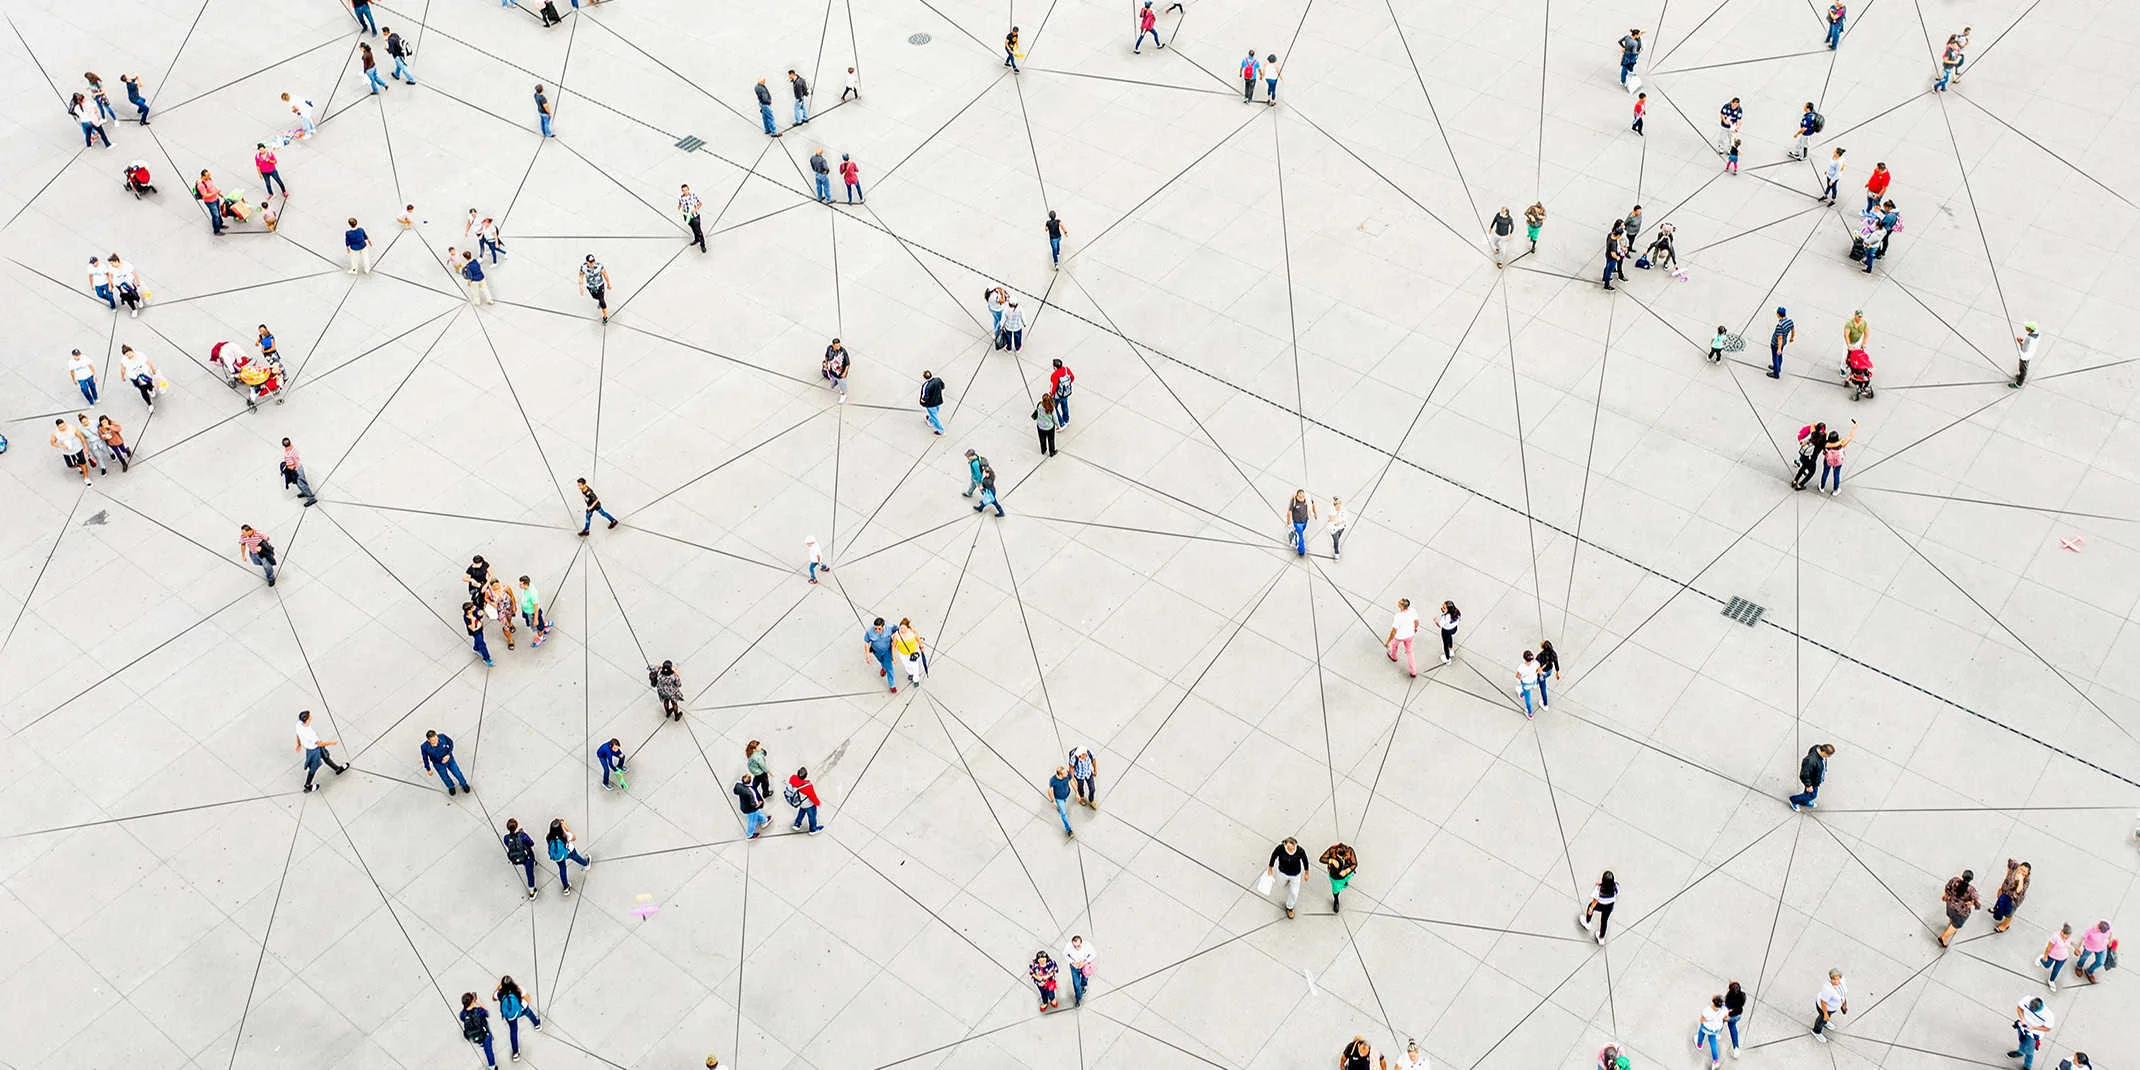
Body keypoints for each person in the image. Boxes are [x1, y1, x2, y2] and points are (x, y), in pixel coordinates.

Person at [295, 709, 348, 791]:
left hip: (314, 748)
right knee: (314, 767)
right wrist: (331, 742)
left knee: (325, 756)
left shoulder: (299, 724)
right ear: (308, 719)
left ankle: (337, 769)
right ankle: (308, 785)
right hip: (313, 751)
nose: (311, 716)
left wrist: (299, 744)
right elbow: (319, 744)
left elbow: (298, 735)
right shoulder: (309, 733)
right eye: (310, 715)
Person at [494, 977, 540, 1059]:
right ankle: (537, 1025)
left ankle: (515, 1053)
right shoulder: (518, 989)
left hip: (510, 1016)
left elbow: (493, 998)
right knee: (529, 1013)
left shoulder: (499, 993)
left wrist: (499, 987)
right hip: (521, 1010)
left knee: (513, 1031)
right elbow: (528, 999)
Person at [1267, 836, 1309, 918]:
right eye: (1289, 848)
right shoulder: (1280, 849)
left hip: (1295, 875)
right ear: (1285, 845)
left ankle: (1290, 907)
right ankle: (1287, 882)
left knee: (1294, 893)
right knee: (1280, 885)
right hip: (1283, 873)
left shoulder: (1300, 851)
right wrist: (1270, 868)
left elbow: (1305, 861)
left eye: (1293, 848)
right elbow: (1273, 856)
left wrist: (1306, 873)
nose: (1291, 850)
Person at [421, 729, 471, 797]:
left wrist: (448, 754)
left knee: (457, 773)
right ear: (428, 740)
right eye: (433, 740)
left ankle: (464, 784)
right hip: (438, 764)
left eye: (436, 738)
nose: (436, 741)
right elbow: (425, 758)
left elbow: (450, 743)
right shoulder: (424, 747)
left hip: (450, 760)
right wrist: (428, 769)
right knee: (444, 777)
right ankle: (451, 787)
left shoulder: (442, 737)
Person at [1938, 869, 1980, 947]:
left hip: (1950, 904)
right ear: (1971, 880)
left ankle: (1950, 923)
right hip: (1961, 911)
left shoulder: (1954, 881)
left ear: (1962, 876)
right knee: (1956, 925)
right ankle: (1944, 938)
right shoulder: (1971, 890)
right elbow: (1976, 902)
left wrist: (1946, 896)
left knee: (1952, 916)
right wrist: (1973, 903)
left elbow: (1947, 888)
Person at [546, 819, 591, 892]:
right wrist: (565, 826)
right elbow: (574, 837)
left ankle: (566, 887)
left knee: (562, 869)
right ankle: (586, 864)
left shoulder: (548, 837)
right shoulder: (565, 835)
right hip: (569, 851)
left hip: (559, 856)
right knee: (576, 857)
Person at [2010, 996, 2054, 1068]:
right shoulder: (2027, 999)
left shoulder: (2048, 1015)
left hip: (2033, 1033)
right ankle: (2020, 1052)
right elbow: (2019, 1008)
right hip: (2022, 1026)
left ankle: (2027, 1065)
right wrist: (2022, 1019)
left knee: (2030, 1051)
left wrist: (2034, 1028)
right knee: (2021, 1040)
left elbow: (2048, 1028)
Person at [1789, 743, 1835, 808]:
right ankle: (1794, 800)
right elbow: (1804, 774)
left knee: (1808, 793)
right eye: (1828, 755)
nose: (1829, 757)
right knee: (1812, 795)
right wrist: (1808, 785)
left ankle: (1804, 801)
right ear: (1824, 752)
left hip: (1815, 777)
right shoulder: (1810, 760)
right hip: (1813, 781)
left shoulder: (1817, 748)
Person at [50, 418, 94, 487]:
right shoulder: (55, 433)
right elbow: (52, 442)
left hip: (78, 449)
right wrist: (60, 445)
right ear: (57, 427)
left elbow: (81, 437)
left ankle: (86, 478)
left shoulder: (72, 428)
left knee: (83, 463)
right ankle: (78, 466)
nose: (63, 428)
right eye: (60, 427)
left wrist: (85, 447)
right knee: (70, 466)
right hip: (67, 452)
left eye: (63, 426)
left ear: (65, 423)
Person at [502, 818, 539, 897]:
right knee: (530, 873)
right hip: (527, 857)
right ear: (516, 826)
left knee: (526, 866)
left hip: (517, 857)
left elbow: (508, 846)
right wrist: (522, 833)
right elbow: (531, 843)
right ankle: (532, 892)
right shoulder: (522, 836)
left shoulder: (506, 838)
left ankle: (532, 891)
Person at [459, 992, 497, 1068]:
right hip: (485, 1034)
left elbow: (463, 1018)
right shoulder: (479, 1011)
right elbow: (487, 1013)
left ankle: (481, 1044)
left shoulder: (462, 1014)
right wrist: (479, 1002)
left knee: (480, 1040)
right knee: (489, 1051)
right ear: (473, 1002)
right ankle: (492, 1066)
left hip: (474, 1036)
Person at [1992, 860, 2031, 933]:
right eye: (2021, 869)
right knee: (2000, 902)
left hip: (2013, 899)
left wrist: (2021, 880)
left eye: (2024, 872)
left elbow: (2019, 890)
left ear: (2027, 873)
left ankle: (2004, 925)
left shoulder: (2026, 881)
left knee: (2009, 913)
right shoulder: (2015, 866)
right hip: (2005, 891)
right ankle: (1996, 910)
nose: (2022, 872)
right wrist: (2007, 875)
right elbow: (2010, 862)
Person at [1387, 598, 1420, 677]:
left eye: (1400, 602)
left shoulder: (1398, 616)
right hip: (1410, 635)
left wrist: (1388, 642)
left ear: (1401, 606)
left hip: (1399, 636)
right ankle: (1413, 671)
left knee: (1394, 645)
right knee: (1409, 652)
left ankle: (1393, 656)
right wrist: (1415, 628)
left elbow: (1394, 631)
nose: (1398, 601)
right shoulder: (1412, 611)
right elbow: (1417, 622)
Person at [1811, 968, 1847, 1041]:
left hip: (1833, 1007)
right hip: (1824, 1008)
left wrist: (1844, 1004)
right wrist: (1825, 1014)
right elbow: (1823, 1002)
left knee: (1825, 1019)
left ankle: (1825, 1022)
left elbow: (1842, 994)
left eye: (1838, 979)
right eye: (1834, 979)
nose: (1836, 982)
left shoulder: (1842, 980)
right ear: (1830, 978)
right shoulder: (1827, 989)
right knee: (1822, 1019)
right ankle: (1816, 1031)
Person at [863, 618, 899, 691]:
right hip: (876, 652)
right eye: (875, 628)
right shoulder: (869, 632)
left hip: (887, 651)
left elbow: (898, 631)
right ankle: (883, 667)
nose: (877, 631)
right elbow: (867, 643)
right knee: (882, 662)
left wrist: (894, 644)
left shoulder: (890, 627)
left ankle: (892, 685)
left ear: (883, 626)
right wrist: (867, 656)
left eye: (879, 629)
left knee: (889, 667)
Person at [516, 576, 554, 645]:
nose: (519, 585)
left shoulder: (532, 594)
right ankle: (546, 624)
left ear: (525, 584)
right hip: (527, 611)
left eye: (520, 584)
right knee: (539, 623)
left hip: (532, 613)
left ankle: (540, 637)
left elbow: (536, 608)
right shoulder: (526, 588)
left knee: (539, 627)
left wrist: (535, 619)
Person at [1319, 841, 1357, 911]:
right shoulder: (1332, 850)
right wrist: (1331, 861)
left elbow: (1354, 863)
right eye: (1339, 857)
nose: (1342, 859)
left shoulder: (1350, 851)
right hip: (1335, 876)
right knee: (1335, 889)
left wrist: (1346, 871)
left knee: (1346, 879)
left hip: (1346, 873)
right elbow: (1321, 859)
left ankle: (1344, 882)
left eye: (1344, 857)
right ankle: (1336, 900)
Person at [1584, 870, 1617, 943]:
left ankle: (1587, 923)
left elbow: (1594, 902)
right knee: (1604, 921)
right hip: (1609, 907)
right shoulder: (1616, 887)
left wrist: (1590, 909)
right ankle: (1601, 938)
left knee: (1590, 906)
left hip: (1601, 905)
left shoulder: (1598, 890)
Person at [485, 579, 518, 651]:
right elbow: (486, 598)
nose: (496, 587)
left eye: (497, 585)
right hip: (500, 611)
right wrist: (492, 603)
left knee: (509, 619)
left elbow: (512, 596)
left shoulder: (506, 587)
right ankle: (510, 640)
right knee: (505, 626)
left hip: (508, 607)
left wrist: (514, 606)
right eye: (494, 586)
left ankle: (510, 624)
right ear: (491, 586)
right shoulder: (489, 592)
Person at [1819, 426, 1853, 495]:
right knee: (1836, 475)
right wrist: (1854, 428)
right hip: (1838, 462)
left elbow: (1823, 452)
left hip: (1828, 461)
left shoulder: (1827, 444)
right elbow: (1850, 437)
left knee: (1825, 473)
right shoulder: (1841, 445)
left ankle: (1822, 487)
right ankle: (1835, 490)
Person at [1696, 994, 1727, 1069]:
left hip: (1706, 1027)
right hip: (1715, 1030)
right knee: (1713, 1044)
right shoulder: (1724, 1010)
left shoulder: (1707, 1010)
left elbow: (1702, 1020)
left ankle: (1699, 1045)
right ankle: (1715, 1061)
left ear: (1713, 1001)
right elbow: (1726, 1018)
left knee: (1701, 1033)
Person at [1062, 935, 1096, 1005]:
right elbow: (1065, 955)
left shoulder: (1087, 945)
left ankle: (1083, 986)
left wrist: (1084, 962)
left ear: (1081, 942)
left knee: (1085, 978)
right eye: (1075, 946)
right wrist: (1072, 962)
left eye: (1078, 946)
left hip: (1085, 966)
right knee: (1076, 984)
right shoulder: (1068, 946)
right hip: (1074, 967)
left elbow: (1093, 954)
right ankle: (1078, 998)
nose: (1077, 948)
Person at [787, 767, 823, 832]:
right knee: (812, 816)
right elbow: (813, 797)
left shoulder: (792, 778)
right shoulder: (808, 786)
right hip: (808, 805)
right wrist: (818, 803)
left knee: (801, 812)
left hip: (800, 802)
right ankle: (813, 829)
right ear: (806, 776)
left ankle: (797, 824)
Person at [2041, 923, 2076, 989]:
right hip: (2052, 955)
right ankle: (2041, 959)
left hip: (2062, 958)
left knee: (2056, 970)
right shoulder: (2055, 937)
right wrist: (2045, 956)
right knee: (2047, 965)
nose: (2068, 937)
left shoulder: (2068, 937)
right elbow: (2048, 947)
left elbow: (2071, 942)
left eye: (2069, 935)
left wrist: (2076, 948)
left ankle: (2051, 981)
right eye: (2066, 935)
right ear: (2062, 932)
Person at [1281, 490, 1315, 555]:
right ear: (1297, 495)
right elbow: (1289, 512)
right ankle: (1301, 550)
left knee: (1300, 533)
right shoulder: (1294, 502)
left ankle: (1295, 536)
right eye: (1300, 494)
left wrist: (1314, 513)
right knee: (1301, 536)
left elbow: (1312, 503)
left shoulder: (1306, 499)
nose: (1302, 495)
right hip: (1297, 523)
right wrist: (1288, 522)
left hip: (1305, 521)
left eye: (1303, 494)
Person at [893, 619, 927, 686]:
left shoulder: (912, 632)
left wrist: (921, 646)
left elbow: (918, 639)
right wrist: (894, 657)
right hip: (903, 653)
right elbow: (894, 646)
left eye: (904, 628)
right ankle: (910, 673)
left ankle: (916, 679)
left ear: (907, 627)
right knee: (906, 665)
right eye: (901, 628)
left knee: (914, 666)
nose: (902, 630)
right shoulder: (897, 635)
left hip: (913, 652)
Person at [580, 255, 611, 322]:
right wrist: (581, 287)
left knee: (602, 300)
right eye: (590, 262)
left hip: (600, 285)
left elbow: (605, 274)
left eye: (593, 261)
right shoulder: (583, 267)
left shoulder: (599, 266)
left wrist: (608, 283)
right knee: (595, 297)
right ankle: (599, 300)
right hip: (591, 286)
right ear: (587, 262)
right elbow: (581, 276)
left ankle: (605, 316)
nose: (592, 263)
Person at [1723, 980, 1748, 1057]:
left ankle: (1717, 1033)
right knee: (1732, 1027)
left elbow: (1726, 1006)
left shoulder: (1729, 997)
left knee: (1720, 1020)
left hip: (1730, 1016)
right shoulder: (1742, 995)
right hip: (1738, 1016)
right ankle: (1736, 1048)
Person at [465, 601, 493, 666]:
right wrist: (472, 619)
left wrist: (482, 613)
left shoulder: (475, 609)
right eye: (472, 608)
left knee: (479, 640)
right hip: (475, 632)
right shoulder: (466, 617)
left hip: (480, 629)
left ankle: (476, 648)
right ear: (469, 611)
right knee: (482, 644)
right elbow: (472, 628)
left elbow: (481, 612)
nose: (474, 607)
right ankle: (486, 658)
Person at [1769, 307, 1795, 378]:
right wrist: (1792, 337)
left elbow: (1779, 338)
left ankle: (1776, 373)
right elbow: (1793, 329)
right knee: (1780, 356)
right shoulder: (1789, 321)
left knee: (1775, 358)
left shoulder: (1780, 326)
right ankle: (1778, 367)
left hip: (1776, 344)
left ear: (1778, 315)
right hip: (1784, 342)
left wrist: (1779, 348)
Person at [1049, 765, 1075, 836]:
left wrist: (1077, 793)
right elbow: (1050, 791)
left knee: (1063, 806)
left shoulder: (1067, 774)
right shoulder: (1053, 780)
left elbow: (1072, 781)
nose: (1067, 774)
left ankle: (1060, 808)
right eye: (1065, 773)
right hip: (1059, 798)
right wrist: (1053, 801)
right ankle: (1069, 829)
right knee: (1063, 813)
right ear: (1060, 775)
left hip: (1066, 794)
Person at [2012, 322, 2039, 387]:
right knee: (2024, 366)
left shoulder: (2029, 338)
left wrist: (2020, 342)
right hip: (2031, 353)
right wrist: (2024, 341)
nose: (2025, 328)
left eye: (2026, 327)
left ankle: (2018, 384)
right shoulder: (2037, 334)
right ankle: (2021, 376)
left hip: (2025, 356)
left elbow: (2024, 349)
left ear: (2030, 329)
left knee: (2023, 369)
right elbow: (2030, 343)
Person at [1516, 650, 1542, 718]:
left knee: (1528, 699)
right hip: (1533, 682)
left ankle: (1530, 713)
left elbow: (1517, 676)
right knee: (1526, 692)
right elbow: (1539, 670)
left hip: (1526, 684)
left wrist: (1521, 680)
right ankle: (1521, 694)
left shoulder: (1521, 667)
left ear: (1524, 658)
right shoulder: (1536, 663)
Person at [920, 370, 946, 435]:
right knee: (934, 412)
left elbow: (925, 397)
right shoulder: (938, 379)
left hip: (931, 404)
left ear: (924, 377)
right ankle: (930, 420)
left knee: (934, 416)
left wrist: (922, 401)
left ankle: (941, 431)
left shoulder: (926, 386)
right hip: (938, 400)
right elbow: (943, 386)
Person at [1535, 640, 1560, 706]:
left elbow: (1537, 668)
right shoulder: (1553, 653)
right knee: (1540, 681)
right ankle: (1536, 682)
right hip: (1549, 671)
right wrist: (1557, 672)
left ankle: (1545, 704)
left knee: (1542, 687)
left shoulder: (1540, 656)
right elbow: (1556, 663)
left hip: (1542, 673)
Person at [1048, 358, 1073, 424]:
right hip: (1065, 392)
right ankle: (1066, 419)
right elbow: (1072, 378)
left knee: (1054, 408)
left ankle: (1061, 423)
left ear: (1055, 367)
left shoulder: (1054, 375)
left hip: (1057, 395)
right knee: (1065, 406)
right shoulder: (1066, 369)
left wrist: (1051, 394)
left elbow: (1054, 387)